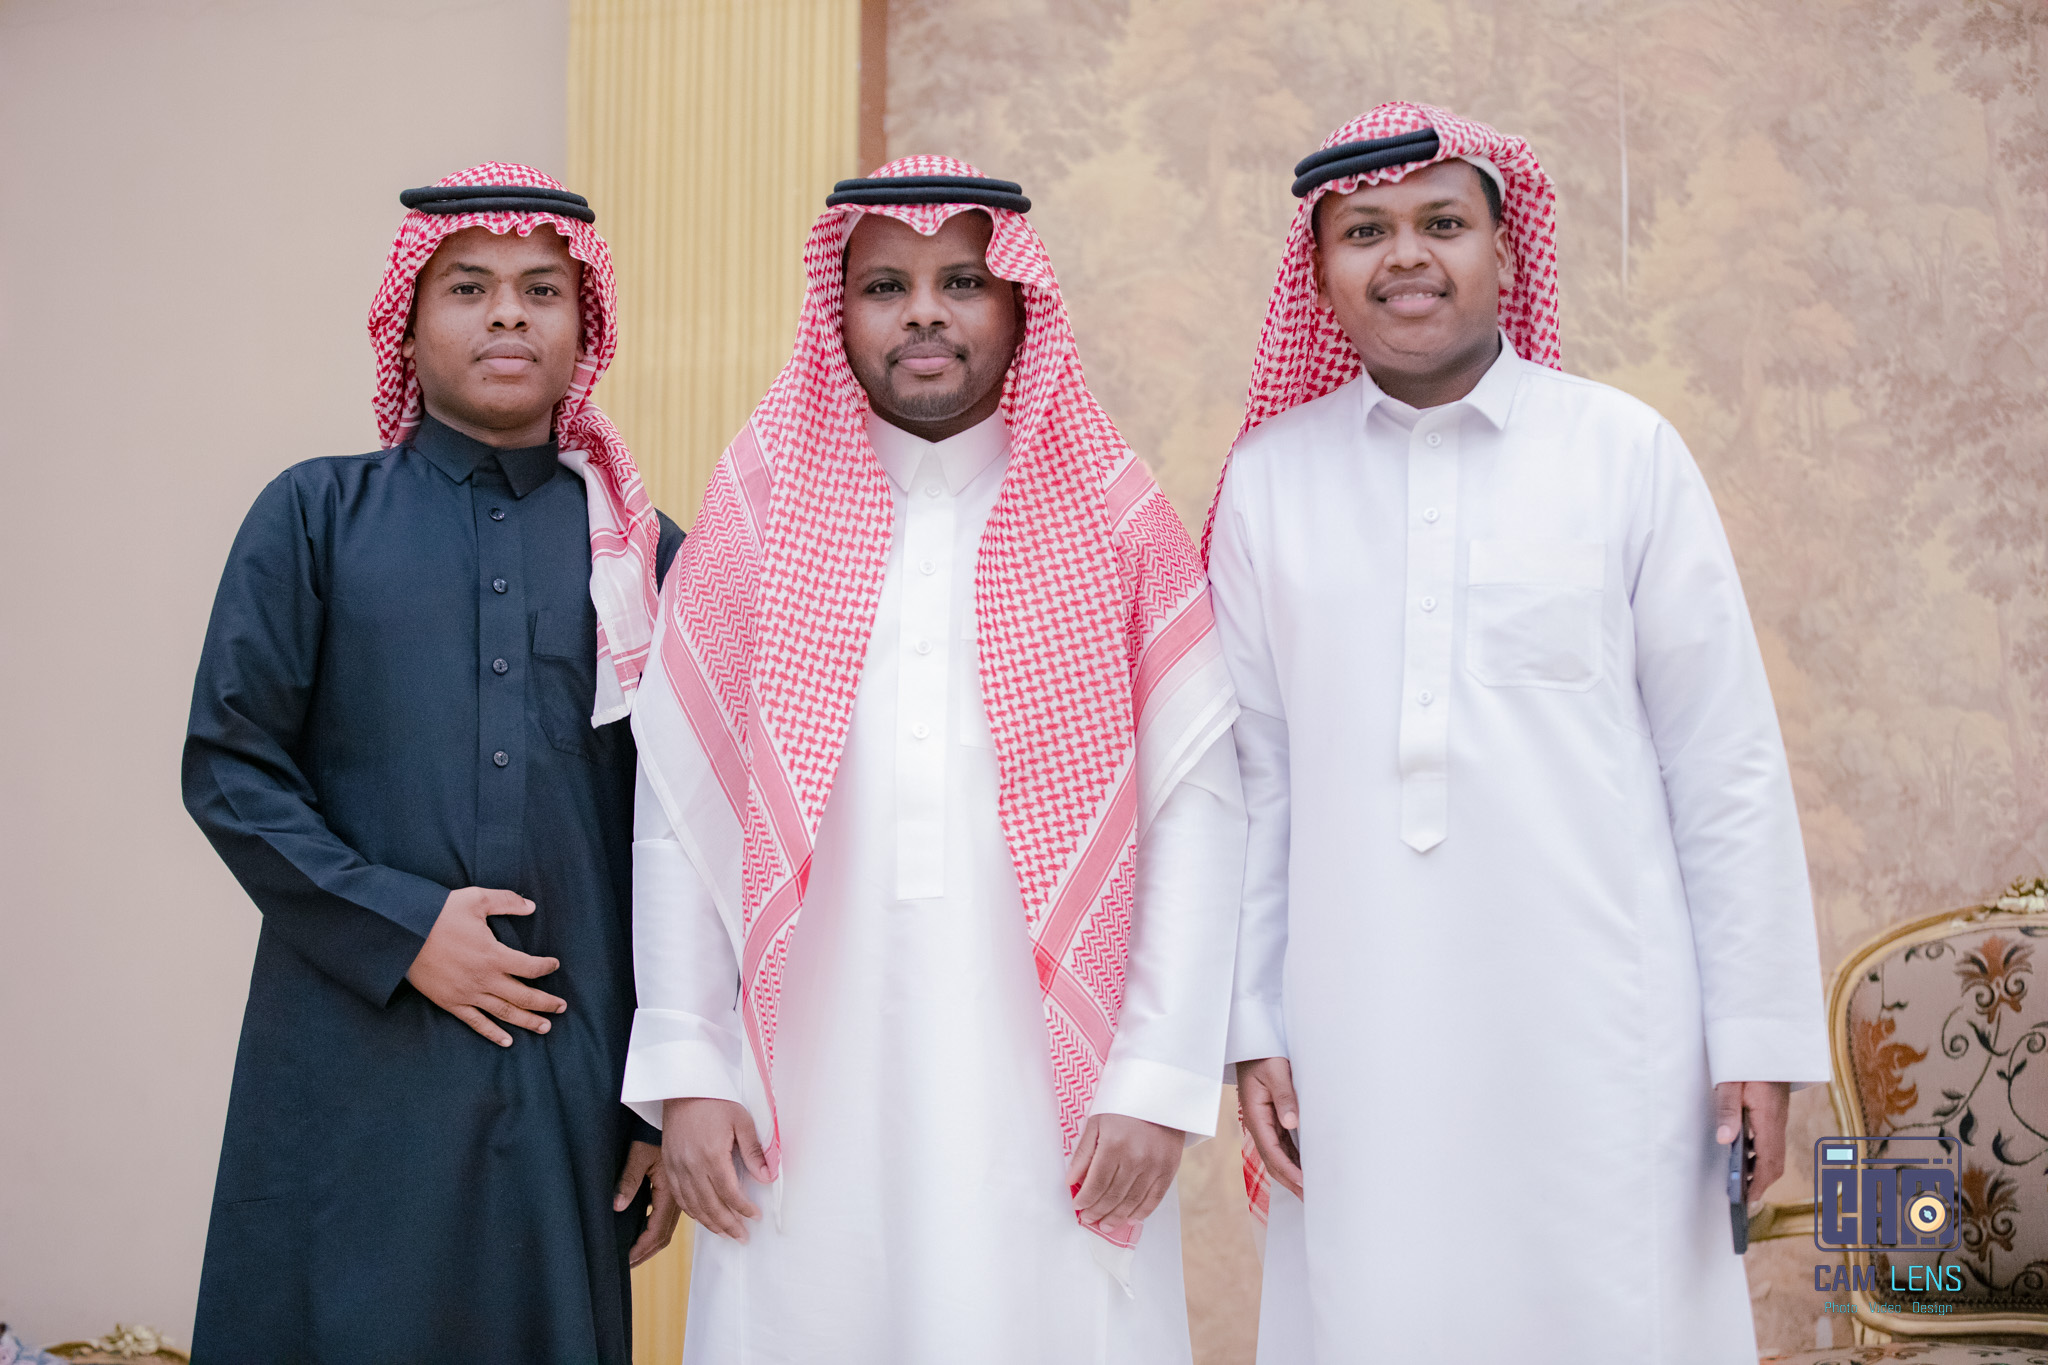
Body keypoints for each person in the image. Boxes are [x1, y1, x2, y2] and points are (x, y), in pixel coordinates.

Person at [1207, 105, 1830, 1363]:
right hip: (1356, 1023)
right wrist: (1249, 1026)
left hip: (1604, 1023)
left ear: (1504, 249)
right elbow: (1251, 783)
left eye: (1441, 222)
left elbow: (1721, 762)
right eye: (1364, 231)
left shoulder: (1621, 452)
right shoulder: (1269, 482)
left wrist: (1755, 1039)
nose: (1405, 255)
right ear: (1318, 272)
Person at [623, 158, 1246, 1364]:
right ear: (837, 309)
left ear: (1016, 304)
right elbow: (677, 816)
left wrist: (1156, 1077)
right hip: (799, 1088)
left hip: (1059, 1099)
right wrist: (690, 1068)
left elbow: (1195, 815)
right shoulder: (753, 521)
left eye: (961, 281)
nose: (923, 312)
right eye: (884, 286)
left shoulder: (1117, 524)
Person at [183, 163, 686, 1365]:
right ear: (406, 328)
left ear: (585, 332)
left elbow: (689, 838)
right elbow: (233, 766)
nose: (508, 313)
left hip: (568, 1055)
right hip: (351, 1037)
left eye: (541, 290)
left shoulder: (648, 557)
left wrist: (666, 1090)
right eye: (468, 287)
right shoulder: (315, 516)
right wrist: (404, 927)